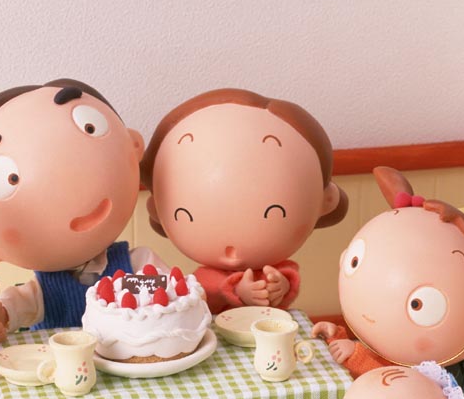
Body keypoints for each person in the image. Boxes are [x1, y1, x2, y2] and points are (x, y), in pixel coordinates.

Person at [0, 79, 161, 338]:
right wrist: (0, 315)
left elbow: (166, 290)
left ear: (133, 145)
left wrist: (159, 293)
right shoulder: (43, 291)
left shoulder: (134, 265)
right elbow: (18, 304)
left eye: (90, 127)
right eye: (9, 179)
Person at [312, 166, 464, 386]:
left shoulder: (434, 379)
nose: (376, 302)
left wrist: (354, 354)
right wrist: (337, 336)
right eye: (355, 262)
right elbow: (372, 351)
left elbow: (389, 383)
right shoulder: (385, 346)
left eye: (419, 305)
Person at [140, 89, 348, 314]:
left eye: (273, 212)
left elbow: (288, 282)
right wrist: (238, 290)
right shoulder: (202, 277)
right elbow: (206, 291)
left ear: (326, 201)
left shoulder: (276, 269)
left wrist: (281, 286)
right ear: (157, 209)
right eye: (186, 214)